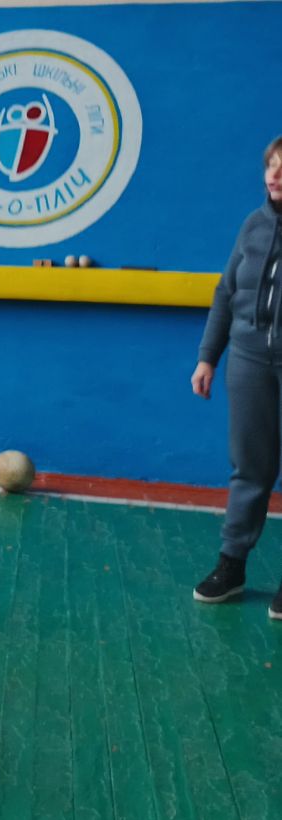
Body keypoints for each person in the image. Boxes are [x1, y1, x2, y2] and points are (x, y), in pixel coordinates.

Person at [192, 136, 282, 615]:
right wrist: (208, 357)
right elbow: (226, 293)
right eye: (271, 166)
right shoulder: (252, 225)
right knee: (249, 468)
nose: (274, 175)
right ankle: (232, 565)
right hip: (248, 361)